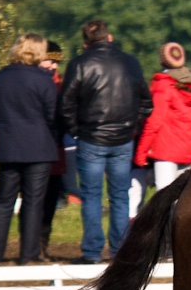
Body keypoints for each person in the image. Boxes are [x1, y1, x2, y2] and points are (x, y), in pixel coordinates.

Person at [60, 20, 152, 264]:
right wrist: (131, 126)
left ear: (85, 43)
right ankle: (119, 250)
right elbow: (146, 103)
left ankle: (91, 252)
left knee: (91, 196)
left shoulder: (79, 64)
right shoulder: (130, 62)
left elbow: (65, 105)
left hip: (91, 138)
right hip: (123, 139)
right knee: (120, 196)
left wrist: (76, 131)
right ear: (109, 37)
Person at [0, 33, 59, 265]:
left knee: (3, 201)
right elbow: (52, 116)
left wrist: (7, 132)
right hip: (40, 149)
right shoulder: (44, 80)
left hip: (9, 146)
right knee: (34, 201)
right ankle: (28, 254)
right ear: (39, 52)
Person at [131, 42, 191, 216]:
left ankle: (162, 240)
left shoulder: (163, 85)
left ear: (163, 60)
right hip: (186, 150)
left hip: (165, 152)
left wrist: (141, 153)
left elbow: (154, 121)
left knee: (163, 201)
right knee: (180, 202)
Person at [38, 40, 67, 259]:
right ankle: (31, 244)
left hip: (56, 151)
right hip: (35, 150)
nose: (54, 66)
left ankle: (42, 244)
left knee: (49, 201)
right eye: (50, 60)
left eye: (57, 62)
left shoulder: (60, 85)